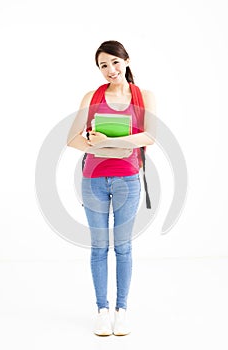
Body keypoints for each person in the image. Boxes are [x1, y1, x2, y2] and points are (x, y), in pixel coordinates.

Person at [67, 40, 156, 336]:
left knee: (123, 247)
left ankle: (122, 311)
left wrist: (107, 143)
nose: (110, 70)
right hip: (93, 180)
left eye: (115, 62)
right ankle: (102, 311)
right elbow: (72, 139)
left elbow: (149, 137)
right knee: (98, 248)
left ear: (127, 61)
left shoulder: (144, 97)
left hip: (128, 181)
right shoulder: (92, 97)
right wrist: (100, 145)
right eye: (103, 65)